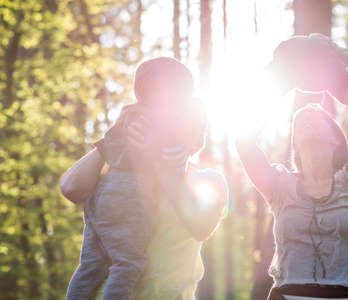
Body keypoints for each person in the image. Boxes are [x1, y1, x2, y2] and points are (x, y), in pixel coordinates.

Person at [60, 57, 229, 300]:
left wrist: (157, 160)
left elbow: (201, 226)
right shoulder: (116, 170)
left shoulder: (208, 179)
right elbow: (70, 187)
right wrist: (115, 137)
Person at [235, 34, 348, 300]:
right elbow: (243, 141)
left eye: (317, 117)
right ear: (295, 143)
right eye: (298, 122)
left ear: (335, 141)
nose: (305, 116)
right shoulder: (279, 185)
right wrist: (281, 84)